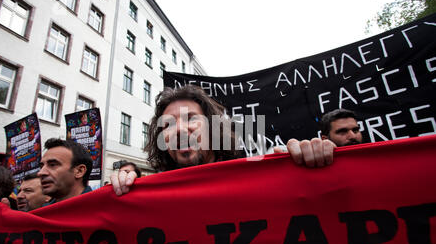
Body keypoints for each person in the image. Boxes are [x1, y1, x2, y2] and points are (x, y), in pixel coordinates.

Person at [111, 85, 336, 195]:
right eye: (168, 124)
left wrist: (304, 169)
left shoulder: (255, 178)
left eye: (191, 119)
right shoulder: (150, 195)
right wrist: (124, 190)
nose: (179, 129)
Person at [38, 138, 93, 206]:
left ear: (79, 171)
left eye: (52, 165)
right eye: (41, 167)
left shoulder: (103, 210)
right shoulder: (41, 214)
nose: (40, 173)